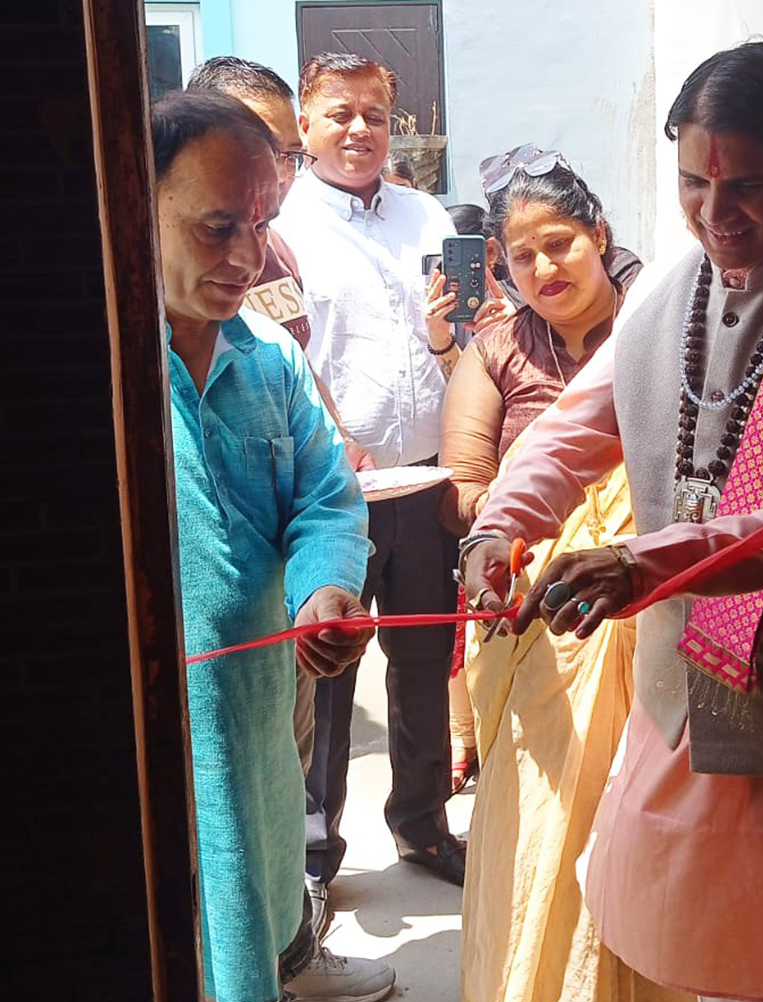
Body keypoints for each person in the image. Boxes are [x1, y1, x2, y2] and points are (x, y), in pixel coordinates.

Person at [462, 42, 763, 1002]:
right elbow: (573, 428)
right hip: (683, 698)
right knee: (710, 968)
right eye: (693, 183)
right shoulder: (666, 291)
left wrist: (640, 563)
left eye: (749, 186)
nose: (715, 213)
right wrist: (498, 531)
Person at [153, 90, 392, 1002]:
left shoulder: (269, 361)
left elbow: (328, 497)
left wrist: (325, 588)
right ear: (136, 206)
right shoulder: (105, 374)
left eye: (260, 227)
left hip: (261, 697)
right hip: (163, 727)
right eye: (218, 228)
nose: (247, 258)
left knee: (264, 848)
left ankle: (283, 970)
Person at [439, 147, 687, 1002]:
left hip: (650, 605)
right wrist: (507, 534)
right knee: (547, 823)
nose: (545, 267)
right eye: (523, 255)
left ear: (600, 236)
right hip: (537, 619)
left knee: (645, 817)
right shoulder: (497, 350)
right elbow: (467, 481)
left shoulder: (664, 322)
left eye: (561, 244)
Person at [274, 53, 465, 899]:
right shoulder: (281, 226)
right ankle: (316, 854)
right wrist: (334, 445)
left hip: (425, 481)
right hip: (333, 494)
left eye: (376, 116)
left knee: (423, 660)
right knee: (331, 671)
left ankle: (423, 824)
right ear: (306, 123)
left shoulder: (427, 215)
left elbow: (466, 332)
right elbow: (283, 353)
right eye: (340, 114)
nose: (360, 130)